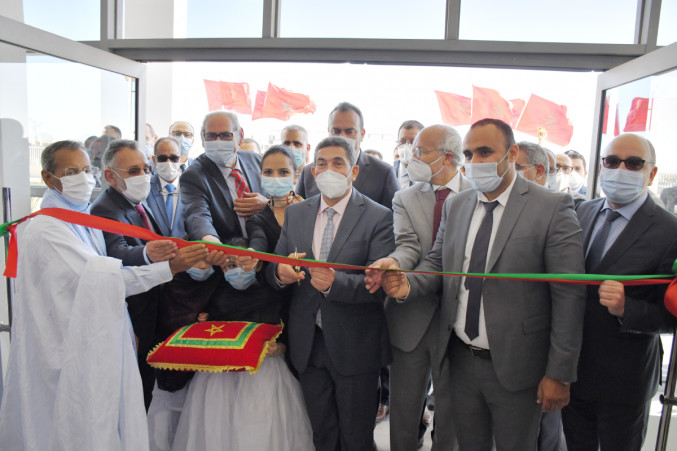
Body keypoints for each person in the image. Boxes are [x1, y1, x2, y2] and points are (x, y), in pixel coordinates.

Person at [379, 119, 586, 450]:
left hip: (516, 367)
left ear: (512, 153)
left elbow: (569, 296)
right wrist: (407, 285)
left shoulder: (551, 207)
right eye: (470, 153)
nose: (476, 162)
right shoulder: (457, 205)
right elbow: (438, 262)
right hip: (460, 360)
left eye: (486, 152)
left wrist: (559, 374)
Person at [0, 140, 206, 450]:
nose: (82, 177)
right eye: (71, 171)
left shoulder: (81, 219)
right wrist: (168, 268)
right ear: (48, 179)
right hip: (65, 346)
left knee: (106, 418)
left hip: (96, 336)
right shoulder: (48, 229)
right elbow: (105, 280)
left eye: (85, 170)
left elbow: (104, 276)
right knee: (73, 421)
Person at [268, 136, 395, 451]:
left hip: (355, 345)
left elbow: (379, 287)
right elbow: (277, 265)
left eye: (338, 163)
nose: (328, 170)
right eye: (321, 163)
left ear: (353, 172)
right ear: (312, 170)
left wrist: (335, 283)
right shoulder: (297, 213)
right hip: (308, 343)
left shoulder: (379, 217)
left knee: (356, 438)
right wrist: (278, 273)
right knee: (322, 434)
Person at [562, 134, 677, 451]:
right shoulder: (582, 212)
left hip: (625, 379)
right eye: (612, 162)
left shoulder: (670, 231)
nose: (621, 169)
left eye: (634, 163)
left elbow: (673, 316)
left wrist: (629, 308)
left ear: (651, 173)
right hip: (572, 371)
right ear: (601, 168)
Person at [366, 124, 470, 451]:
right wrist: (394, 265)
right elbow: (408, 246)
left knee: (452, 417)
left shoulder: (478, 195)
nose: (412, 156)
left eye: (421, 150)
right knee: (404, 413)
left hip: (461, 321)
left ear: (447, 157)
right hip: (410, 315)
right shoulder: (405, 197)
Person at [91, 139, 206, 409]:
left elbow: (158, 240)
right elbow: (115, 253)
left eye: (145, 169)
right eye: (133, 171)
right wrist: (148, 253)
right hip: (132, 316)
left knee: (147, 393)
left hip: (153, 310)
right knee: (134, 398)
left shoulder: (136, 202)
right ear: (110, 175)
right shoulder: (105, 208)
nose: (143, 176)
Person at [172, 235, 314, 451]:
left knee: (262, 425)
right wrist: (203, 322)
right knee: (217, 427)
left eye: (242, 263)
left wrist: (280, 347)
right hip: (220, 375)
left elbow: (288, 329)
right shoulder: (214, 291)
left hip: (265, 370)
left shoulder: (274, 292)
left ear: (256, 265)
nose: (236, 269)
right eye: (230, 265)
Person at [180, 111, 266, 245]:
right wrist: (211, 241)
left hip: (267, 254)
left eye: (226, 135)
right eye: (211, 136)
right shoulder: (194, 175)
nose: (218, 142)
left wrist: (268, 205)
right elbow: (197, 215)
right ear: (203, 139)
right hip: (228, 257)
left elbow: (280, 199)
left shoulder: (256, 161)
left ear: (240, 136)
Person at [295, 102, 399, 209]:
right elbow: (298, 216)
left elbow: (393, 219)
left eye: (349, 131)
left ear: (362, 134)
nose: (342, 137)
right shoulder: (308, 173)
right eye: (336, 131)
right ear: (329, 132)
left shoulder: (383, 172)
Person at [246, 145, 304, 255]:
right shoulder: (257, 220)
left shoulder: (312, 210)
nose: (275, 178)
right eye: (268, 172)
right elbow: (258, 241)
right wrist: (252, 253)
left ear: (295, 177)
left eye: (283, 172)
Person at [147, 137, 186, 238]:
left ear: (180, 159)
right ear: (154, 160)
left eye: (174, 158)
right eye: (162, 158)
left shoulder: (192, 188)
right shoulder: (145, 188)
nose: (168, 162)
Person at [393, 120, 424, 190]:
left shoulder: (433, 176)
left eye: (413, 141)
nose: (406, 145)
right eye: (402, 141)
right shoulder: (388, 174)